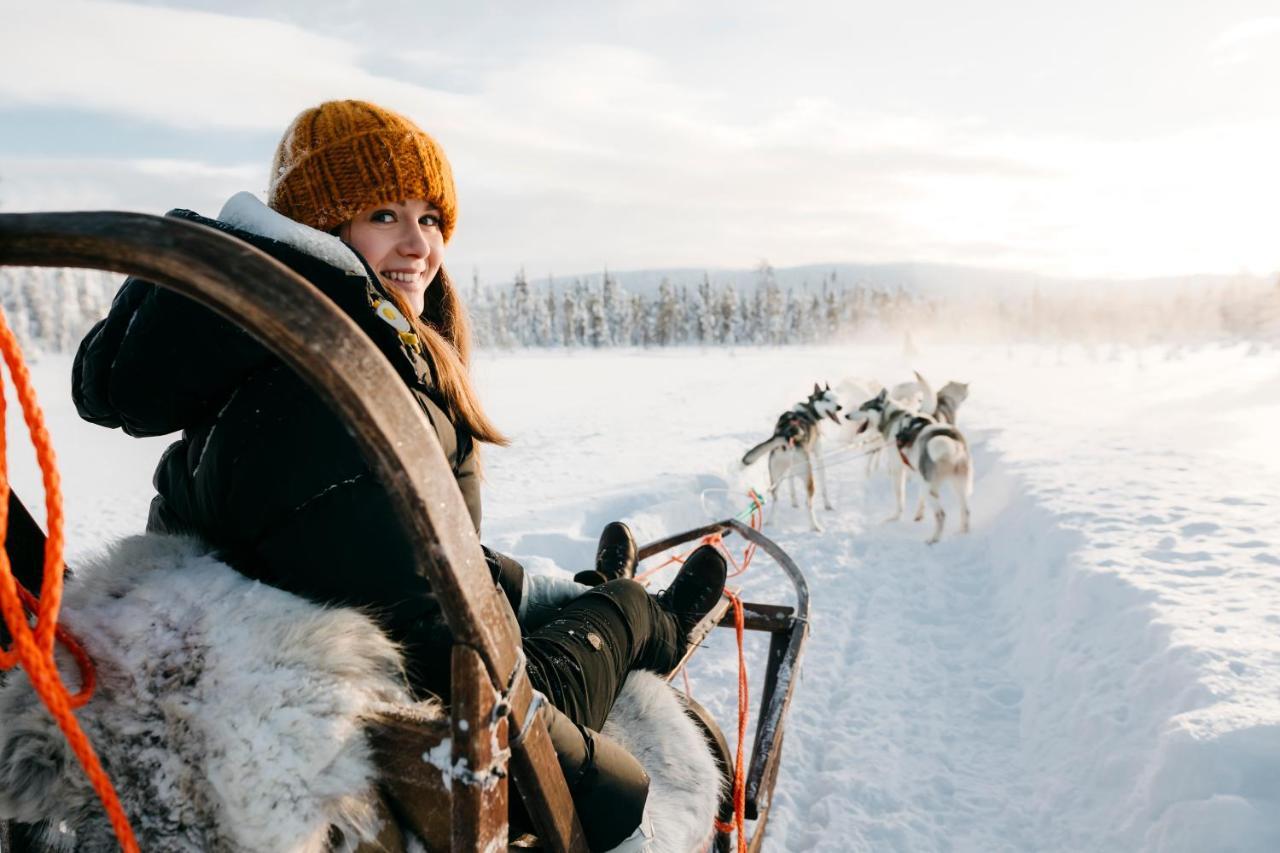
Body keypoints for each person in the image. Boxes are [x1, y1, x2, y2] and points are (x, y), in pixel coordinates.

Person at [71, 99, 726, 850]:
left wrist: (521, 593)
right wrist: (605, 620)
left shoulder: (266, 346)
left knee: (550, 590)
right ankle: (651, 622)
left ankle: (598, 598)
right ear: (324, 227)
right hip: (426, 717)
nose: (419, 245)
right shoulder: (343, 384)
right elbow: (445, 661)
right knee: (627, 622)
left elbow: (372, 544)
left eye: (431, 218)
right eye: (385, 213)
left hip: (313, 630)